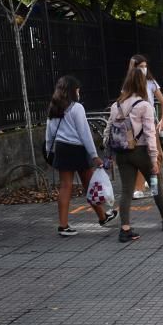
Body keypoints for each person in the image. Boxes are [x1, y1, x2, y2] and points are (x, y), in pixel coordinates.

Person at [106, 67, 163, 242]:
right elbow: (149, 135)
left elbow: (108, 130)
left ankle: (125, 229)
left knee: (126, 191)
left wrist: (109, 154)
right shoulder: (144, 106)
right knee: (155, 184)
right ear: (142, 84)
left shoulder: (115, 106)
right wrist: (154, 159)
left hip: (122, 153)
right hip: (141, 153)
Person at [45, 75, 115, 237]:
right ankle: (102, 216)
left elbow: (49, 133)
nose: (79, 92)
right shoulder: (77, 108)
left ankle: (63, 225)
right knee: (89, 185)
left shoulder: (54, 107)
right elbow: (85, 134)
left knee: (65, 186)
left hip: (61, 149)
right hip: (77, 149)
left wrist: (50, 150)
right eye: (77, 90)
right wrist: (94, 155)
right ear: (71, 91)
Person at [128, 55, 163, 200]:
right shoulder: (129, 85)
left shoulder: (151, 83)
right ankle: (139, 188)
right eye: (140, 67)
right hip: (137, 126)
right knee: (143, 156)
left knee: (158, 155)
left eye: (145, 67)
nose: (143, 70)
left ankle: (152, 185)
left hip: (150, 124)